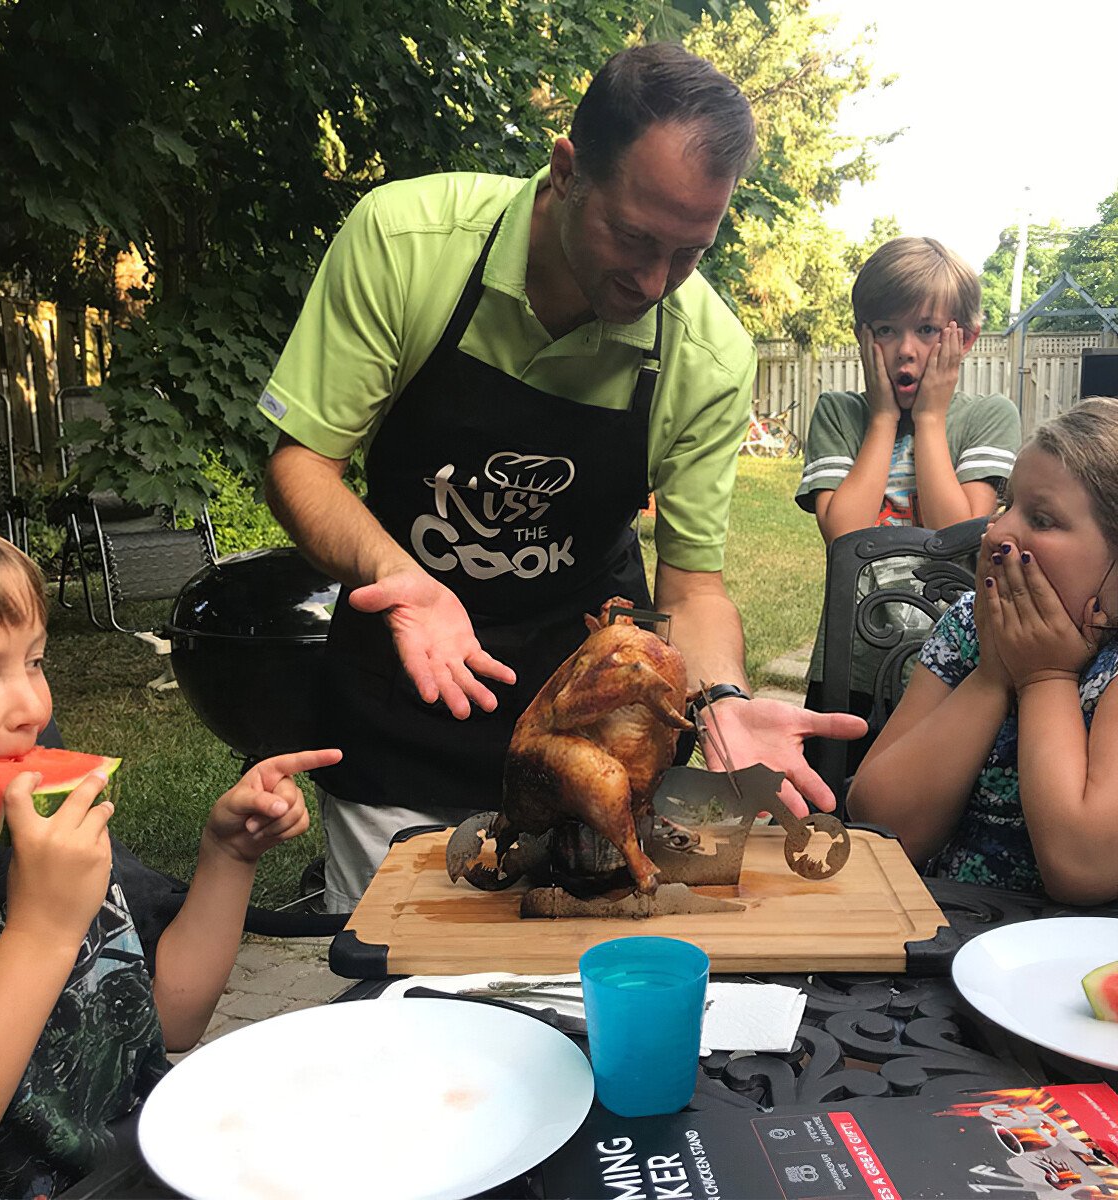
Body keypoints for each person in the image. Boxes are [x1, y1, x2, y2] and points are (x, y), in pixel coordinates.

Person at [259, 42, 865, 913]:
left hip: (597, 737)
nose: (656, 281)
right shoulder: (408, 243)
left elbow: (693, 585)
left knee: (573, 1001)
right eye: (634, 237)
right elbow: (300, 461)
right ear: (567, 169)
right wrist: (401, 579)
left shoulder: (708, 352)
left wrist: (723, 696)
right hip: (405, 693)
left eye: (690, 253)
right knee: (408, 995)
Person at [0, 514, 339, 1199]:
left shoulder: (53, 841)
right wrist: (41, 934)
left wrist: (228, 858)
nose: (31, 705)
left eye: (34, 661)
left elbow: (171, 1016)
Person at [846, 398, 1118, 903]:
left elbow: (1082, 866)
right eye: (1007, 504)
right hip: (941, 933)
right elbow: (878, 825)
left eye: (1041, 518)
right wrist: (993, 676)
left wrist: (1045, 678)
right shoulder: (973, 627)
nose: (998, 530)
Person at [794, 236, 1021, 756]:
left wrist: (929, 420)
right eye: (887, 330)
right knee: (828, 806)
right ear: (862, 335)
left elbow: (955, 541)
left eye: (926, 330)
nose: (906, 349)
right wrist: (880, 420)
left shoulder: (988, 417)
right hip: (848, 663)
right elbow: (846, 537)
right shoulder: (839, 414)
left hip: (951, 668)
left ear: (966, 340)